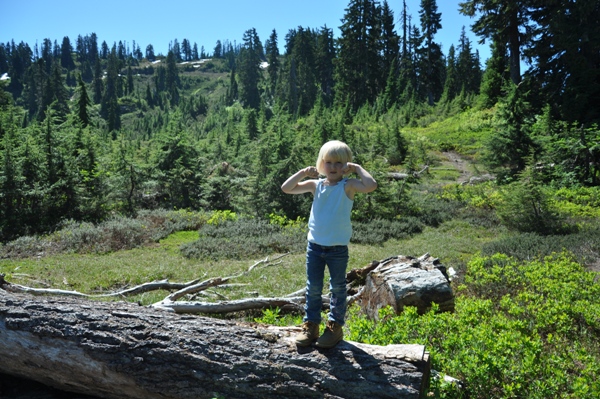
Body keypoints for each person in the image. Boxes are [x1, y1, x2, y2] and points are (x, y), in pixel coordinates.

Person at [281, 140, 377, 348]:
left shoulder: (348, 185)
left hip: (337, 250)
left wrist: (358, 169)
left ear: (346, 165)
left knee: (337, 288)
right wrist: (302, 173)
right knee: (313, 288)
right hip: (314, 247)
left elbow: (371, 185)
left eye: (339, 163)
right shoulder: (316, 185)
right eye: (329, 162)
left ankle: (335, 327)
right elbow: (286, 188)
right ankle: (312, 326)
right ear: (321, 164)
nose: (333, 167)